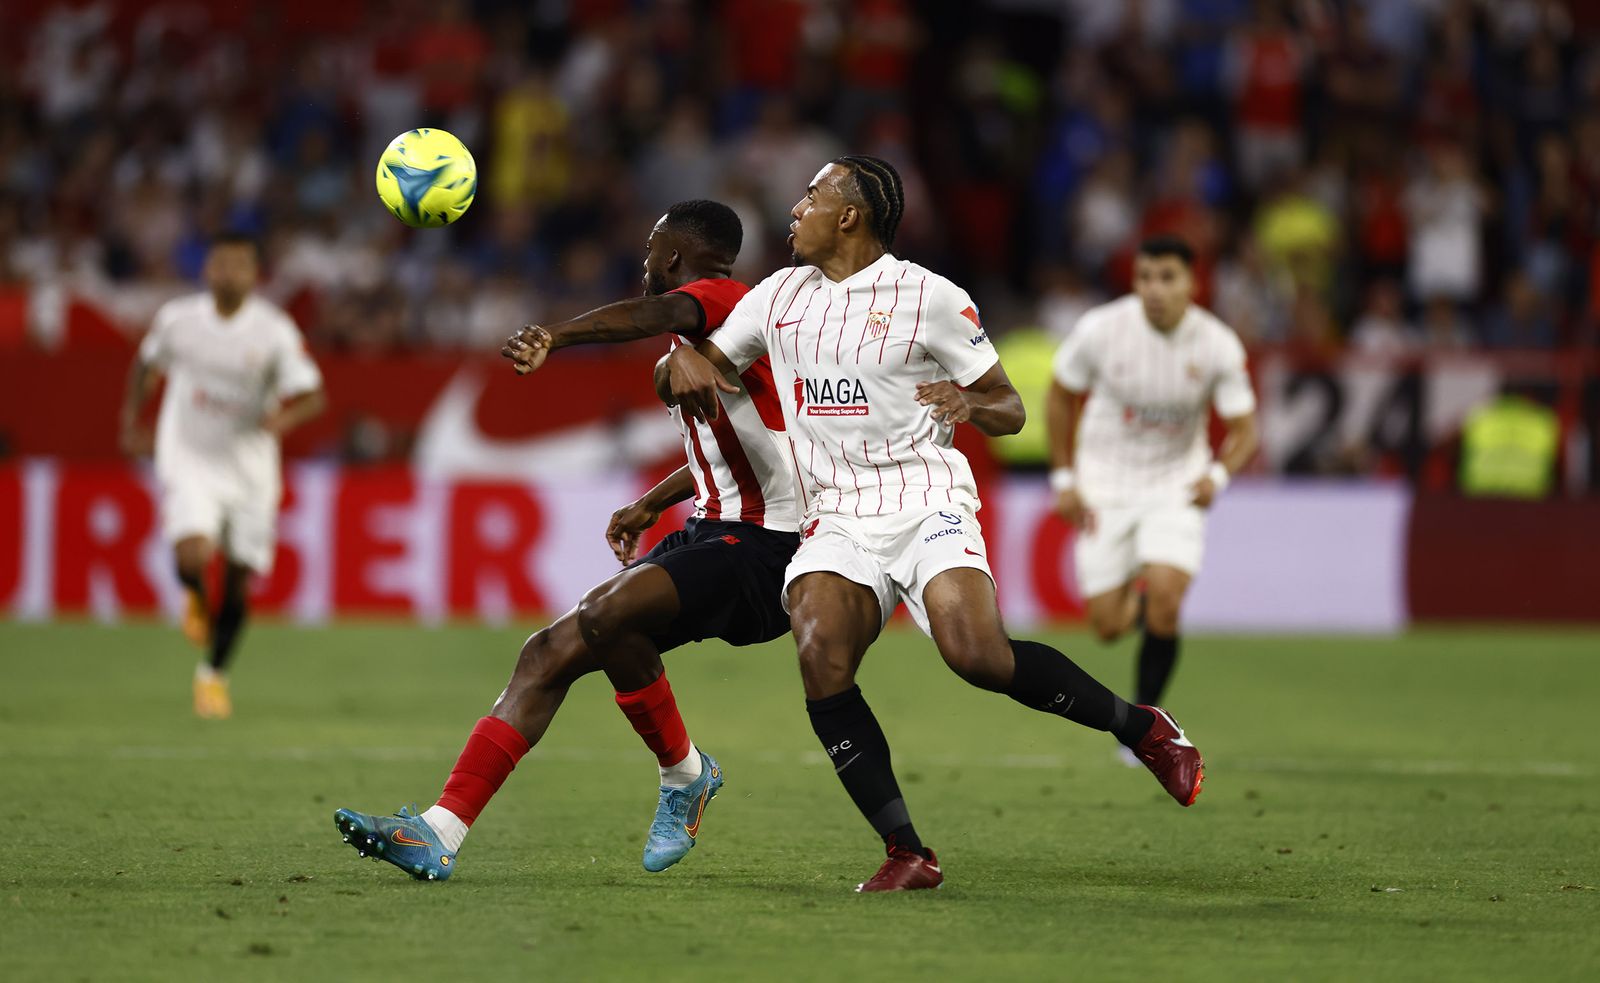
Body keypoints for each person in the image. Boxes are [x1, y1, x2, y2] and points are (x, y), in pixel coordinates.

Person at [665, 157, 1204, 894]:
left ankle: (1143, 728)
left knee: (975, 652)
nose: (796, 209)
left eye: (813, 195)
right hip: (836, 515)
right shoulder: (776, 296)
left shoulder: (930, 298)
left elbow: (1010, 407)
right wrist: (684, 365)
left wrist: (968, 401)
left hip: (924, 500)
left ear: (850, 215)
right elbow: (706, 367)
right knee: (820, 651)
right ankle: (907, 850)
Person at [332, 200, 801, 880]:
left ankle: (683, 774)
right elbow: (731, 453)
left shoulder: (729, 299)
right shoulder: (695, 350)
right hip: (714, 531)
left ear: (672, 257)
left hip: (768, 548)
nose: (644, 261)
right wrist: (649, 501)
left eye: (651, 247)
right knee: (550, 648)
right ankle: (440, 829)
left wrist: (555, 335)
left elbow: (650, 314)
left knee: (604, 614)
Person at [1045, 237, 1260, 760]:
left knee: (1166, 599)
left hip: (1176, 485)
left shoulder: (1217, 344)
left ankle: (1143, 726)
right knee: (1107, 627)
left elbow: (1245, 429)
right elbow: (1058, 395)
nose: (1154, 289)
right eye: (1145, 277)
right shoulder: (1102, 328)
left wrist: (1218, 475)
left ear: (1192, 282)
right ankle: (1139, 602)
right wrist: (1064, 479)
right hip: (1105, 483)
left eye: (1167, 277)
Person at [118, 232, 326, 719]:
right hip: (189, 454)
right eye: (221, 264)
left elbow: (314, 394)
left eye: (239, 266)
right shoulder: (178, 321)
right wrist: (130, 418)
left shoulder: (274, 330)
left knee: (238, 583)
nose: (229, 274)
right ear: (206, 270)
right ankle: (193, 592)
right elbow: (146, 366)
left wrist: (286, 418)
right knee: (193, 554)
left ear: (255, 275)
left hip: (250, 468)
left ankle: (213, 675)